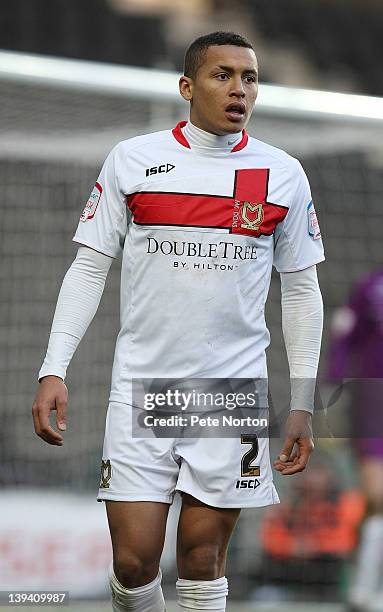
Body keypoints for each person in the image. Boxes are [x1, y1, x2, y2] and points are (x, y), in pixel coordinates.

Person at [32, 31, 324, 612]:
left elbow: (301, 290)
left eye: (250, 78)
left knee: (200, 560)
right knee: (135, 563)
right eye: (223, 75)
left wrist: (303, 401)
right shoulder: (133, 159)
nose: (239, 89)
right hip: (143, 388)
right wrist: (53, 367)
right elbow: (89, 269)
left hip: (230, 392)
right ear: (188, 86)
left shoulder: (282, 173)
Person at [327, 270, 383, 612]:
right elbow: (344, 336)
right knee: (378, 495)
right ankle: (364, 588)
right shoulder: (370, 286)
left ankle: (365, 585)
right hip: (372, 399)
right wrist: (333, 383)